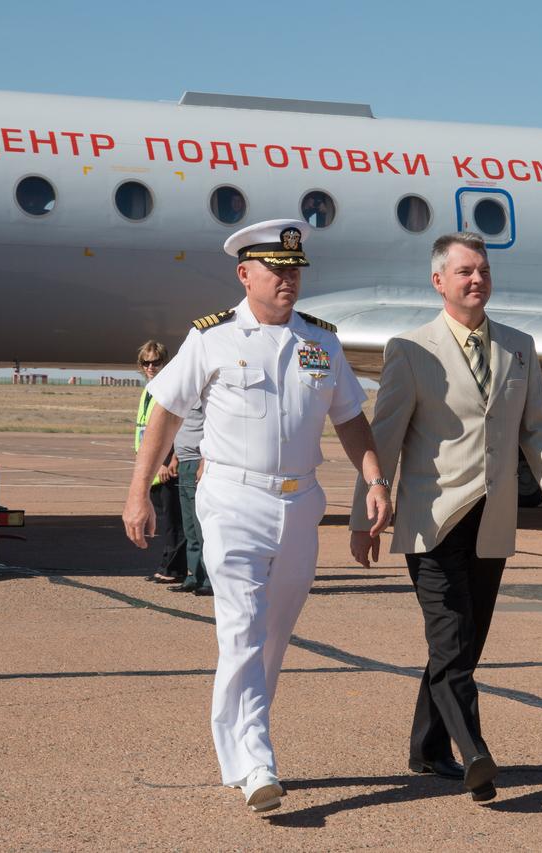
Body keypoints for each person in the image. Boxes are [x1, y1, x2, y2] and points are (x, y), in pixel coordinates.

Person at [122, 219, 392, 815]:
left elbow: (350, 417)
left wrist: (374, 480)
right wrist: (139, 489)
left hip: (300, 504)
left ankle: (237, 749)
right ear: (245, 274)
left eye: (295, 270)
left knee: (274, 634)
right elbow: (165, 411)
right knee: (241, 625)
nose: (289, 280)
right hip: (231, 498)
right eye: (276, 270)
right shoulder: (211, 337)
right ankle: (256, 759)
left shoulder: (321, 341)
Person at [348, 232, 542, 803]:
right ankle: (472, 752)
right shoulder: (410, 348)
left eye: (483, 271)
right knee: (450, 642)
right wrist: (364, 515)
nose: (477, 280)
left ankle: (426, 748)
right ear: (439, 282)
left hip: (492, 520)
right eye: (464, 272)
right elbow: (386, 437)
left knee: (464, 644)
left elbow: (539, 427)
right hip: (433, 521)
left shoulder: (519, 347)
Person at [134, 341, 185, 584]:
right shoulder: (150, 389)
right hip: (153, 467)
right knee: (168, 519)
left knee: (174, 522)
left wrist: (168, 460)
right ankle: (169, 565)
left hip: (164, 466)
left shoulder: (168, 389)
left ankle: (172, 569)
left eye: (156, 362)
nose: (151, 367)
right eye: (146, 362)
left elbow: (174, 427)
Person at [168, 402, 211, 596]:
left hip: (197, 462)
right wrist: (175, 457)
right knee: (190, 528)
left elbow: (212, 430)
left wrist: (204, 462)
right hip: (184, 462)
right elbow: (181, 428)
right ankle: (193, 576)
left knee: (201, 527)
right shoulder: (185, 397)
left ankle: (209, 580)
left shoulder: (204, 397)